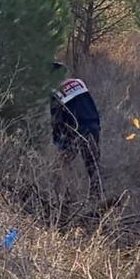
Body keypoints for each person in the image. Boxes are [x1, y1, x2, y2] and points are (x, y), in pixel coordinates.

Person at [50, 62, 103, 197]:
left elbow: (57, 120)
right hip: (93, 125)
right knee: (93, 165)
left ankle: (64, 194)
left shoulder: (56, 92)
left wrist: (58, 141)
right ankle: (97, 195)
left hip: (76, 130)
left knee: (62, 164)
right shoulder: (79, 83)